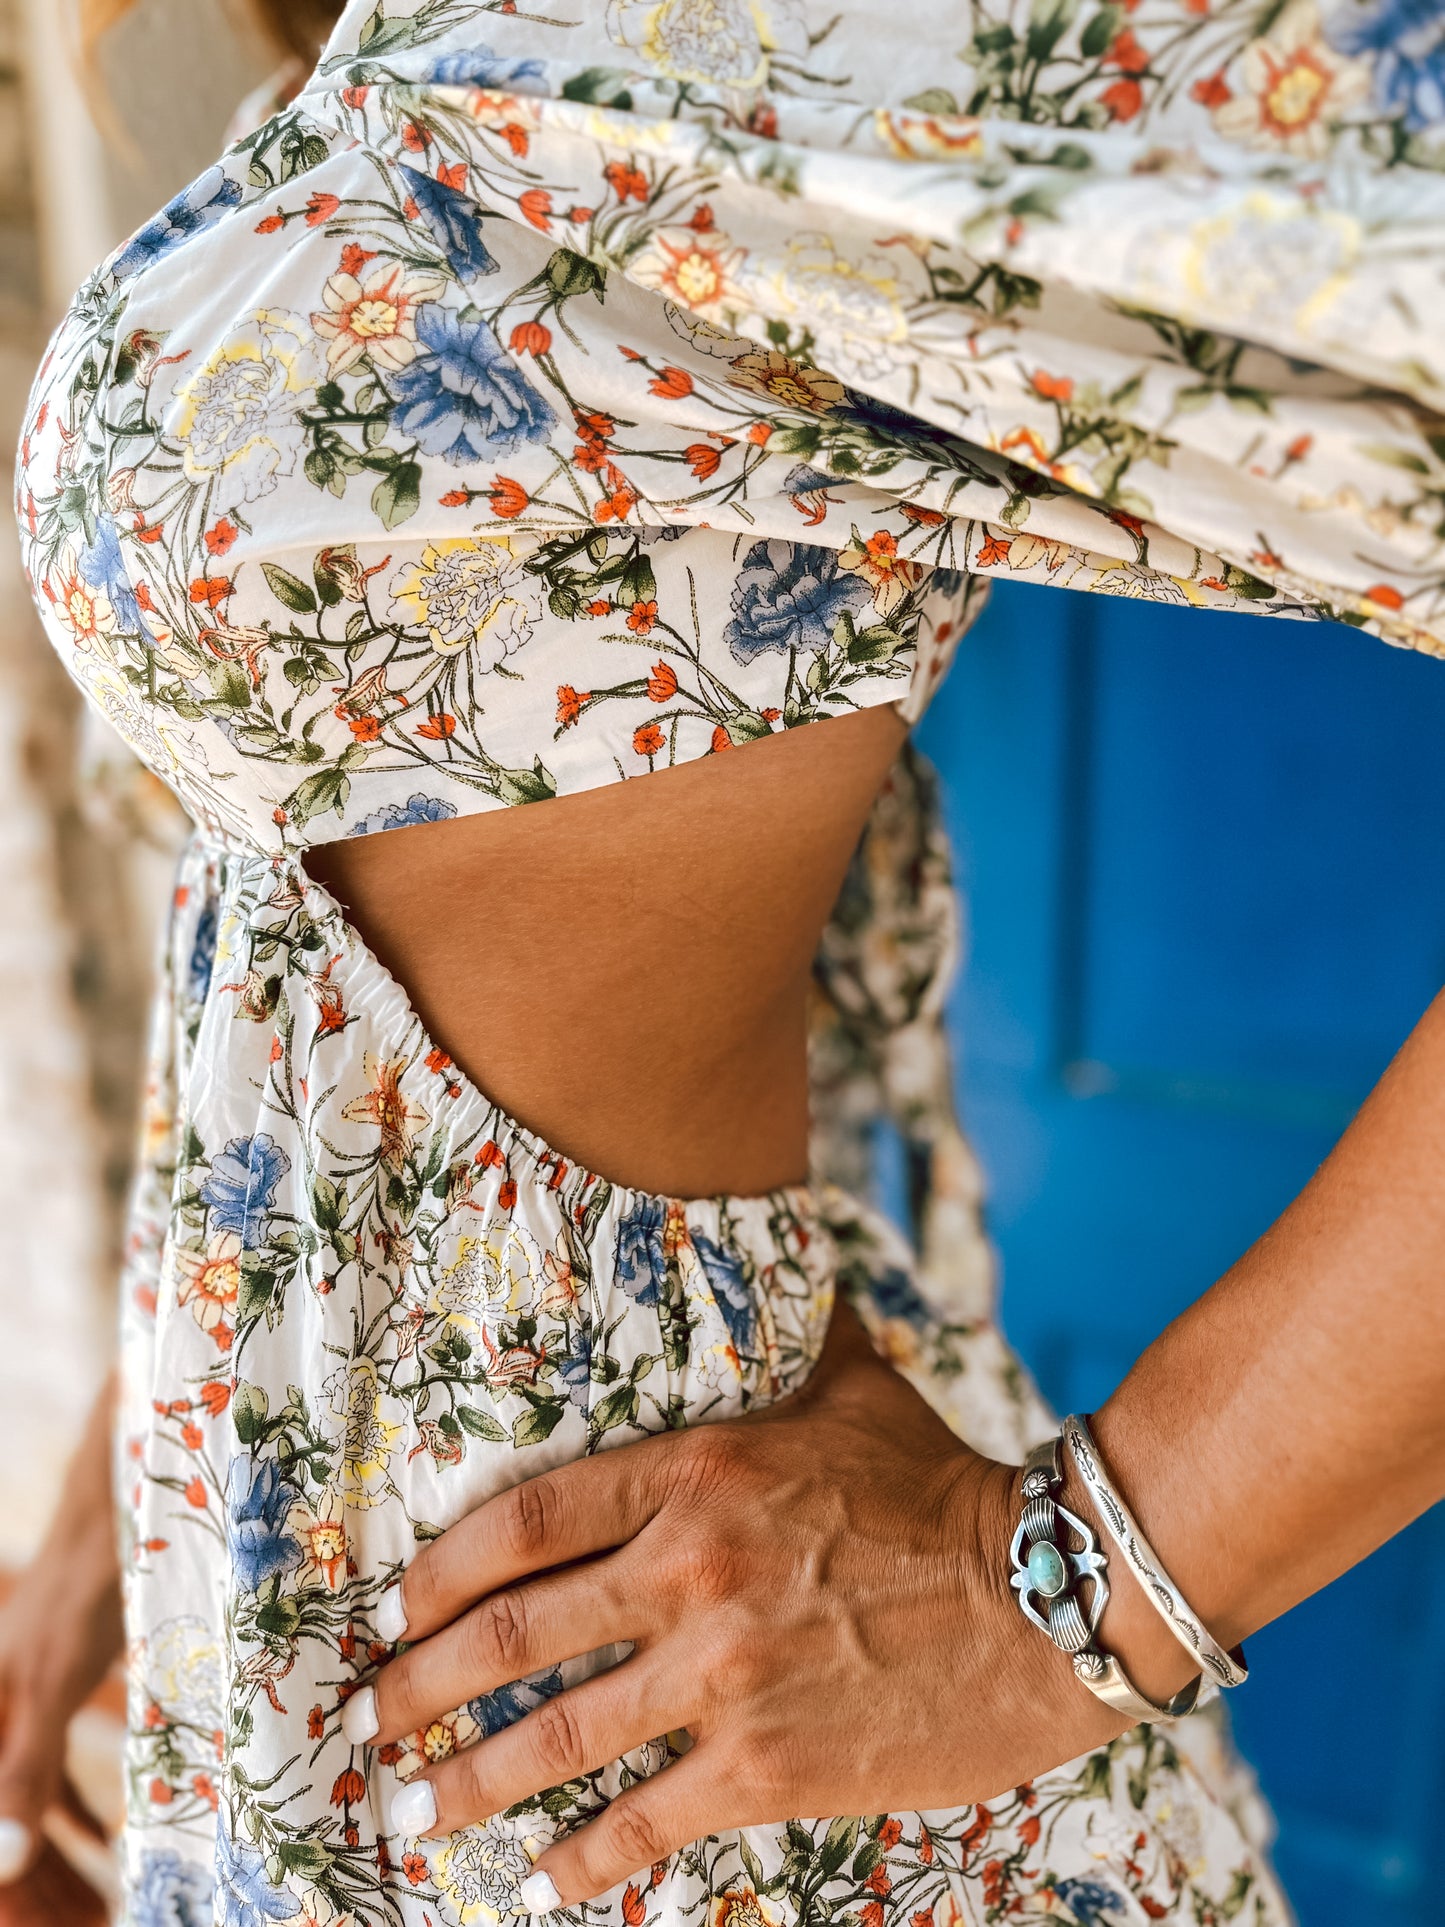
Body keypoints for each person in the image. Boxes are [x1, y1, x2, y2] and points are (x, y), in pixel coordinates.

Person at [8, 0, 1444, 1922]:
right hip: (360, 1689)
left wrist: (1085, 1596)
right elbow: (356, 835)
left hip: (647, 1752)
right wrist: (162, 1467)